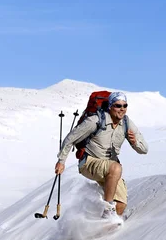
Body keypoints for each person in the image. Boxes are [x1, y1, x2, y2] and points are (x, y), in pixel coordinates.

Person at [55, 91, 149, 220]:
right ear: (110, 106)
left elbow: (144, 149)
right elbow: (70, 139)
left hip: (110, 167)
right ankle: (108, 208)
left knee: (121, 205)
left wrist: (134, 142)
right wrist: (61, 161)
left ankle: (99, 230)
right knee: (115, 168)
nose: (121, 109)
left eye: (124, 105)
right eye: (117, 105)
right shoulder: (95, 120)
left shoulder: (126, 123)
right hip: (89, 162)